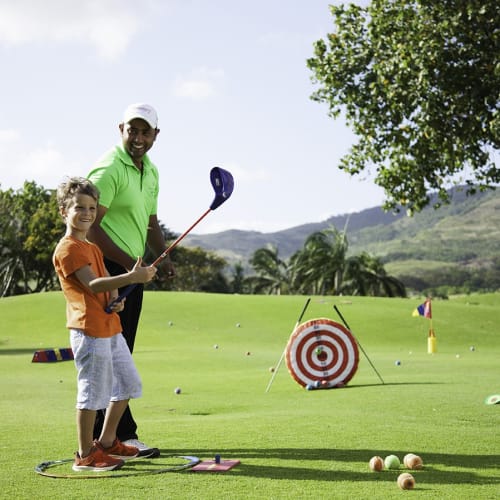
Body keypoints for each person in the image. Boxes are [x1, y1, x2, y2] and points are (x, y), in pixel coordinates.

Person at [87, 103, 174, 458]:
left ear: (156, 135)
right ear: (120, 128)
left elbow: (150, 221)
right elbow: (90, 228)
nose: (137, 138)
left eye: (145, 132)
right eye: (132, 130)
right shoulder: (109, 169)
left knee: (121, 353)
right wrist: (131, 267)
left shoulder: (149, 170)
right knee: (108, 355)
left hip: (130, 274)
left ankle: (112, 437)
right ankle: (111, 438)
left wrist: (162, 255)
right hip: (106, 270)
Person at [52, 177, 158, 472]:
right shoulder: (68, 248)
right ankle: (85, 455)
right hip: (89, 331)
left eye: (92, 208)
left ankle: (109, 441)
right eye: (79, 208)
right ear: (64, 211)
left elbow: (106, 290)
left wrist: (117, 299)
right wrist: (131, 278)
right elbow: (93, 284)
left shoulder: (92, 248)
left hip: (110, 327)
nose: (87, 213)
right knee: (91, 393)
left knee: (128, 384)